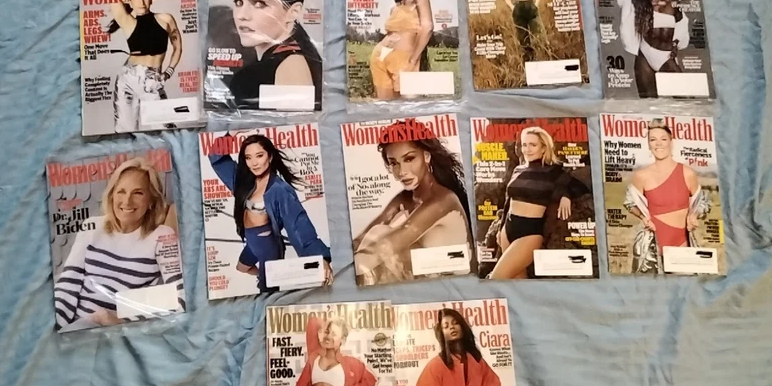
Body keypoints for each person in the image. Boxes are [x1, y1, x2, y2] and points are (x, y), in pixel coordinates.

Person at [53, 158, 182, 331]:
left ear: (151, 200)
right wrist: (55, 330)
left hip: (113, 331)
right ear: (112, 195)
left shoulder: (162, 236)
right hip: (74, 326)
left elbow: (179, 295)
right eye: (121, 191)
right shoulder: (91, 227)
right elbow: (68, 284)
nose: (127, 201)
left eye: (138, 193)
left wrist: (118, 318)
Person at [207, 134, 332, 292]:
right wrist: (229, 134)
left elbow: (298, 226)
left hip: (268, 246)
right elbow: (218, 160)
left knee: (267, 292)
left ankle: (268, 279)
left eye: (259, 156)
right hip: (252, 242)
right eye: (248, 157)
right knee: (242, 268)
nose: (254, 163)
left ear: (270, 156)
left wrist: (320, 259)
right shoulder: (244, 181)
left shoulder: (280, 189)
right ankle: (266, 276)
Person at [353, 121, 472, 285]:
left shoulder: (442, 200)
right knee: (377, 233)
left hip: (456, 283)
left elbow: (386, 247)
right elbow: (361, 239)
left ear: (427, 156)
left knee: (386, 251)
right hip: (429, 277)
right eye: (394, 163)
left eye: (409, 159)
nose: (402, 172)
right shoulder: (405, 198)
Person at [488, 126, 591, 279]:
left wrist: (565, 195)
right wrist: (500, 228)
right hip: (507, 231)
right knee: (517, 284)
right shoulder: (518, 170)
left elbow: (579, 187)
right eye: (524, 145)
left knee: (496, 279)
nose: (527, 149)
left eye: (533, 145)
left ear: (543, 148)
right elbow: (508, 202)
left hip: (529, 234)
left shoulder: (551, 171)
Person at [226, 0, 323, 110]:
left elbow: (296, 122)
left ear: (293, 12)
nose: (242, 15)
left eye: (259, 4)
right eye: (238, 2)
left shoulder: (290, 66)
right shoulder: (289, 56)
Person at [625, 120, 711, 273]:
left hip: (682, 246)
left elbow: (703, 202)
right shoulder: (641, 176)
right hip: (651, 250)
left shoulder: (688, 173)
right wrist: (644, 218)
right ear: (648, 145)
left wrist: (694, 215)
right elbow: (630, 203)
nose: (658, 144)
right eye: (653, 139)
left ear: (671, 142)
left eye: (663, 139)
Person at [105, 0, 182, 132]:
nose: (141, 2)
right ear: (130, 2)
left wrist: (168, 72)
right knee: (125, 129)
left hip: (151, 80)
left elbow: (177, 48)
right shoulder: (128, 21)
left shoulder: (165, 19)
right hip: (127, 79)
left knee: (165, 128)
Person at [618, 0, 689, 98]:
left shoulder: (672, 3)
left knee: (686, 99)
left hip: (665, 56)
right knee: (649, 103)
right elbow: (626, 24)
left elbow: (682, 25)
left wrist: (676, 43)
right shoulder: (638, 4)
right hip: (645, 54)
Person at [369, 0, 434, 100]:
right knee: (386, 108)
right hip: (380, 59)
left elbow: (427, 28)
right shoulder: (395, 8)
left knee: (411, 107)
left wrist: (413, 60)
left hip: (406, 61)